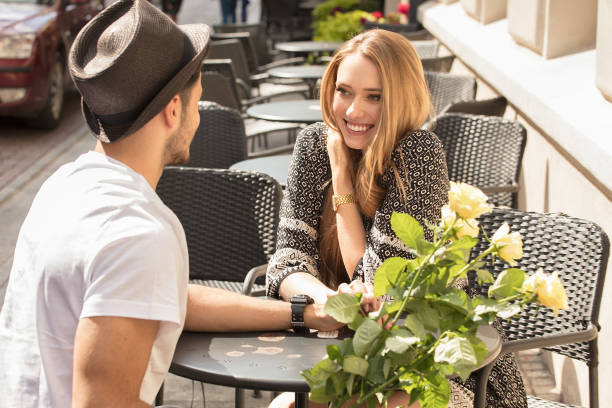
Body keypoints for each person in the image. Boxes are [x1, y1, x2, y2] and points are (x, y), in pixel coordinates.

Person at [0, 1, 341, 407]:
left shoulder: (64, 186)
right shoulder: (136, 234)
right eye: (197, 101)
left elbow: (167, 298)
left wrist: (301, 313)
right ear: (174, 110)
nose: (197, 115)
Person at [266, 29, 527, 407]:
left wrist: (340, 173)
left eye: (375, 97)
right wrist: (328, 302)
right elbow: (286, 262)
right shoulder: (313, 143)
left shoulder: (418, 154)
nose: (354, 111)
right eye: (345, 91)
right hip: (352, 358)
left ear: (401, 98)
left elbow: (379, 285)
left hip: (442, 369)